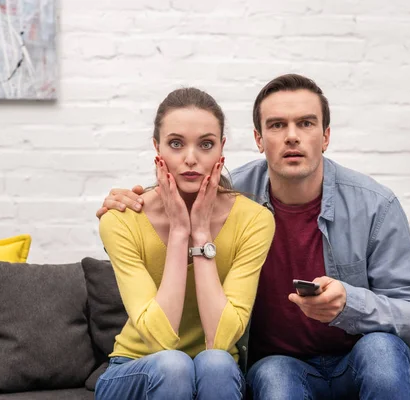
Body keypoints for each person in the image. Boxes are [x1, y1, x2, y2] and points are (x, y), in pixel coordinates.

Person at [97, 74, 410, 399]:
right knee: (272, 377)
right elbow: (188, 178)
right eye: (277, 125)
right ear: (258, 139)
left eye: (306, 123)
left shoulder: (375, 206)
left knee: (380, 351)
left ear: (325, 136)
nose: (292, 135)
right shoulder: (234, 193)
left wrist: (350, 305)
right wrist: (135, 197)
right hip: (280, 363)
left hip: (358, 355)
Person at [95, 87, 275, 400]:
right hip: (136, 366)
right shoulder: (121, 220)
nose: (190, 158)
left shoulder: (255, 220)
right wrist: (180, 231)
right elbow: (159, 340)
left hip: (214, 371)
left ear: (221, 149)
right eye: (176, 144)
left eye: (205, 144)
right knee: (174, 365)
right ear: (157, 148)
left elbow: (220, 340)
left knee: (216, 363)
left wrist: (201, 234)